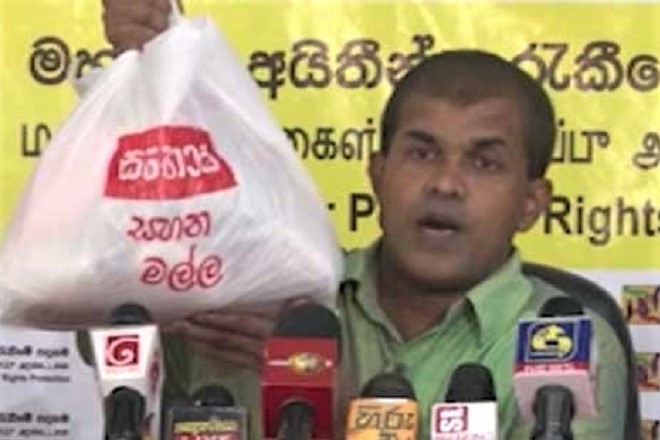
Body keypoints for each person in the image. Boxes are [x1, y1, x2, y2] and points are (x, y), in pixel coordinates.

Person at [102, 1, 629, 438]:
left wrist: (336, 406)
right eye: (422, 153)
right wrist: (150, 78)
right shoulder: (270, 295)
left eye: (484, 163)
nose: (445, 183)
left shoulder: (562, 345)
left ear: (531, 202)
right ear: (377, 174)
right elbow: (113, 307)